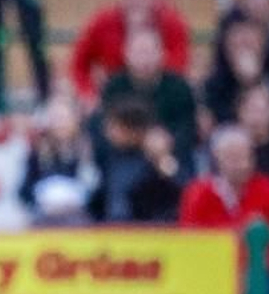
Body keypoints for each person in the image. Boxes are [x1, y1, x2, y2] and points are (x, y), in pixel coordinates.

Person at [68, 0, 190, 102]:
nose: (135, 0)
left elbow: (179, 67)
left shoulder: (172, 22)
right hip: (113, 98)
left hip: (160, 98)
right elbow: (77, 64)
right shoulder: (102, 21)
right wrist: (88, 94)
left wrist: (144, 61)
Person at [98, 30, 197, 169]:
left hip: (171, 154)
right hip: (124, 155)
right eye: (139, 52)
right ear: (126, 54)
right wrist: (140, 139)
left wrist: (167, 141)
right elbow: (105, 127)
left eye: (150, 52)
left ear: (162, 54)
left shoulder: (179, 87)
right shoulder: (114, 86)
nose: (144, 59)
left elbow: (187, 126)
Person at [87, 98, 183, 224]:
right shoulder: (111, 160)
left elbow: (177, 196)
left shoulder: (156, 162)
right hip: (112, 232)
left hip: (149, 235)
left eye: (115, 127)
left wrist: (161, 159)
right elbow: (98, 203)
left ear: (133, 130)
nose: (108, 133)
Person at [179, 125, 269, 229]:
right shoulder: (197, 193)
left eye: (243, 157)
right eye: (231, 157)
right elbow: (189, 238)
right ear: (216, 158)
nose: (239, 164)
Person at [18, 95, 95, 224]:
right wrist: (41, 198)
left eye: (64, 118)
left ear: (75, 119)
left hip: (79, 219)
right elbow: (23, 191)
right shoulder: (38, 151)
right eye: (55, 119)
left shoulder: (89, 149)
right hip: (45, 217)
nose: (60, 124)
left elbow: (97, 188)